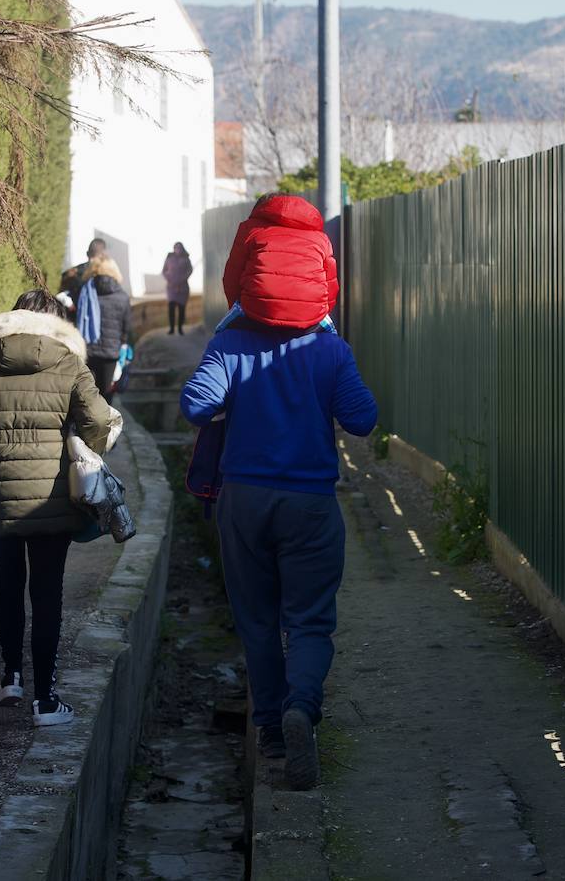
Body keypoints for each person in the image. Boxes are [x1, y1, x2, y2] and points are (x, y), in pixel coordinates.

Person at [180, 302, 377, 792]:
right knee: (309, 620)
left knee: (258, 620)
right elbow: (362, 418)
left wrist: (239, 385)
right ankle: (302, 708)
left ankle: (270, 730)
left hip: (243, 500)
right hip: (310, 503)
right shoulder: (331, 349)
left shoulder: (229, 344)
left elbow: (196, 405)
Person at [0, 289, 113, 727]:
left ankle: (11, 676)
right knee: (48, 591)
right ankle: (46, 700)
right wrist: (83, 450)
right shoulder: (69, 362)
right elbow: (97, 420)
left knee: (7, 582)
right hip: (50, 500)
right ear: (56, 323)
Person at [222, 193, 338, 329]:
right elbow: (330, 285)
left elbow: (232, 278)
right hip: (309, 314)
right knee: (334, 341)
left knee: (221, 335)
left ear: (260, 209)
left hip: (256, 310)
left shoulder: (250, 229)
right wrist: (321, 312)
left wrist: (237, 306)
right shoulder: (321, 238)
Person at [78, 255, 133, 395]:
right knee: (106, 395)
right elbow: (126, 329)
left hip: (87, 350)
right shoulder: (122, 297)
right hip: (111, 353)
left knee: (86, 394)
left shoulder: (84, 291)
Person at [58, 238, 106, 318]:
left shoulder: (74, 271)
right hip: (97, 317)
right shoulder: (106, 274)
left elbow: (59, 290)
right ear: (102, 255)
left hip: (75, 316)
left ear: (87, 253)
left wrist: (68, 302)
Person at [162, 242, 194, 335]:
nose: (178, 249)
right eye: (176, 248)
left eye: (179, 248)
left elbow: (190, 270)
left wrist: (183, 278)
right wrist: (169, 279)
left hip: (183, 288)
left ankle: (180, 328)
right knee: (171, 308)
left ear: (182, 248)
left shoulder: (186, 258)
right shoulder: (169, 258)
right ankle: (171, 329)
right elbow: (163, 271)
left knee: (181, 309)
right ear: (173, 249)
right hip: (171, 288)